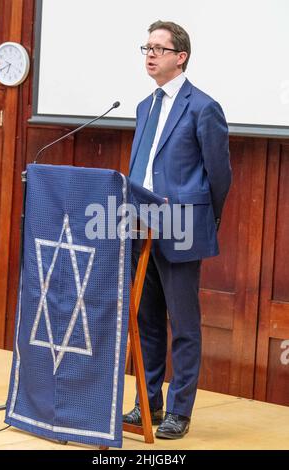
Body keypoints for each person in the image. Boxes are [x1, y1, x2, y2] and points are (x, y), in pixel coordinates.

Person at [124, 20, 232, 439]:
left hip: (181, 227)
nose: (150, 55)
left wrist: (203, 218)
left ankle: (180, 412)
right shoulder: (143, 106)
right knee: (147, 320)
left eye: (158, 48)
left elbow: (219, 175)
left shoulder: (203, 107)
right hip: (140, 226)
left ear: (180, 56)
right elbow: (142, 169)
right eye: (146, 47)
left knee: (183, 325)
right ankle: (147, 403)